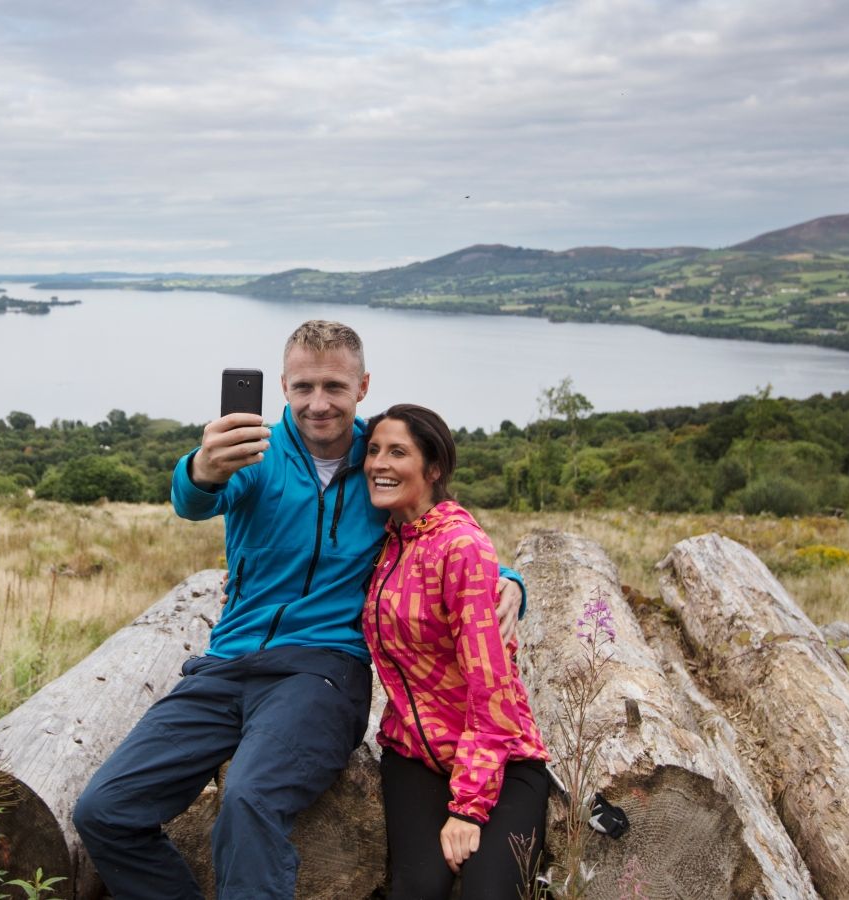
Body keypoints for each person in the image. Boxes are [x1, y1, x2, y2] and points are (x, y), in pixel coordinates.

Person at [73, 321, 522, 900]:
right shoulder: (252, 453)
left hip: (323, 670)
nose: (318, 404)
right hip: (226, 665)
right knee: (104, 809)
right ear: (283, 385)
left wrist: (506, 579)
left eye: (334, 387)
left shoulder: (381, 462)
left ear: (363, 386)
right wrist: (202, 469)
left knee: (250, 798)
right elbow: (193, 498)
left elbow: (439, 523)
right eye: (304, 386)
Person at [362, 403, 549, 900]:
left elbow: (492, 689)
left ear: (435, 467)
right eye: (374, 450)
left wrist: (468, 806)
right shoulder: (380, 540)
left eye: (397, 452)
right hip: (413, 754)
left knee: (490, 893)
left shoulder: (461, 547)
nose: (379, 463)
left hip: (500, 759)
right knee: (416, 889)